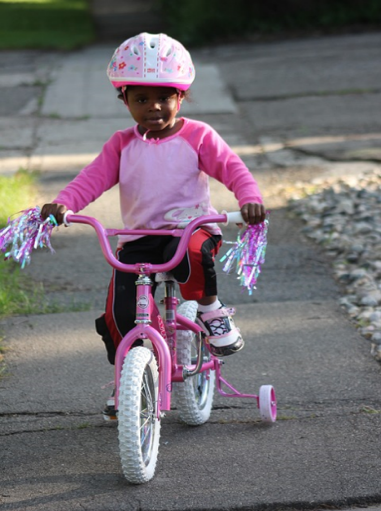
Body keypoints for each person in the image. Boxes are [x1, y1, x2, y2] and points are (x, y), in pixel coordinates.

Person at [41, 32, 266, 414]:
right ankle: (127, 382)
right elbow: (91, 179)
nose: (154, 107)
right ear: (124, 99)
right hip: (139, 238)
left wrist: (250, 200)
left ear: (181, 97)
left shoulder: (198, 137)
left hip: (191, 229)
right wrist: (63, 204)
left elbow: (233, 169)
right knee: (118, 313)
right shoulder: (121, 144)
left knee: (192, 257)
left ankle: (210, 309)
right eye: (141, 99)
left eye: (164, 97)